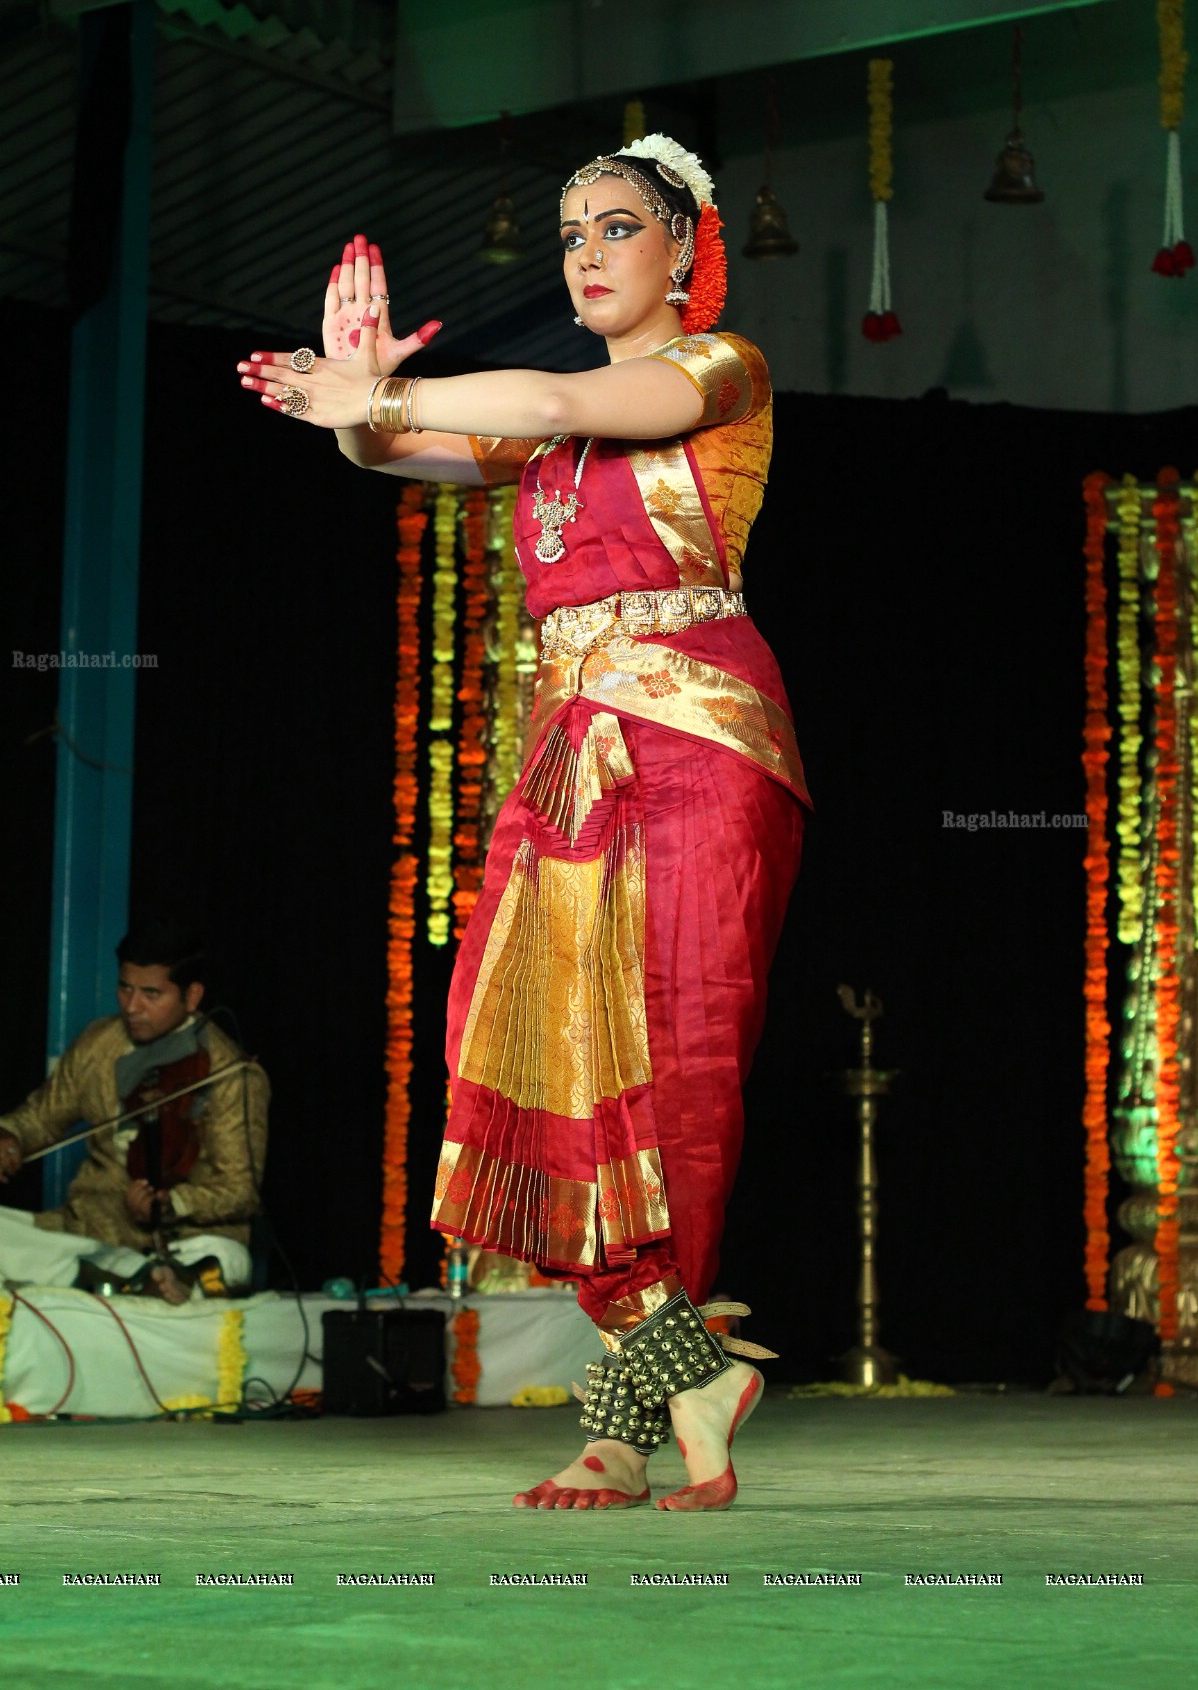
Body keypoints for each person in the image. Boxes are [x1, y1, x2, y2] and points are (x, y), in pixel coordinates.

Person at [235, 133, 811, 1509]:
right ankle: (687, 1371)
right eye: (570, 236)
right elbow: (398, 455)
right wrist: (359, 402)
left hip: (698, 741)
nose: (590, 255)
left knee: (672, 1072)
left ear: (684, 248)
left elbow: (547, 388)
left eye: (618, 228)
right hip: (571, 754)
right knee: (541, 1058)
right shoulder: (548, 433)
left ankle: (624, 1421)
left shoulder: (718, 369)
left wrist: (392, 385)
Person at [0, 919, 269, 1303]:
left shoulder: (232, 1074)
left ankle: (150, 1278)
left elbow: (240, 1191)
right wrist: (10, 1135)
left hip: (182, 1242)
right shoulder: (99, 1042)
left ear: (191, 997)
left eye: (151, 994)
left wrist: (172, 1204)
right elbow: (40, 1118)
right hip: (92, 1233)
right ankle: (115, 1274)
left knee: (224, 1259)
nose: (132, 1007)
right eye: (125, 988)